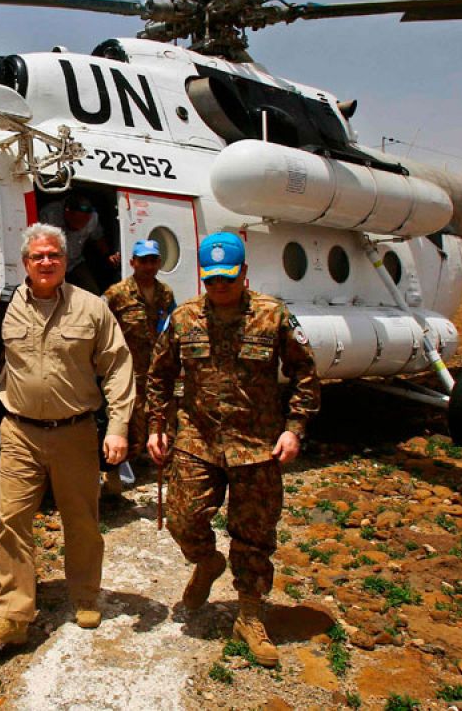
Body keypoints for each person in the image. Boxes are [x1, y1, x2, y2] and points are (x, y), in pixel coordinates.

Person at [145, 232, 321, 668]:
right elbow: (159, 375)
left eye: (228, 278)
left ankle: (249, 614)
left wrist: (294, 429)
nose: (219, 286)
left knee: (254, 535)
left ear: (244, 273)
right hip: (197, 440)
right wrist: (155, 426)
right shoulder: (183, 318)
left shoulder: (273, 315)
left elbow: (304, 373)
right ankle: (206, 563)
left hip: (256, 445)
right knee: (183, 519)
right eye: (211, 279)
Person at [0, 223, 134, 647]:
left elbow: (117, 366)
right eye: (38, 256)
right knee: (13, 522)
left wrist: (117, 428)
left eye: (54, 256)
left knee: (81, 521)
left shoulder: (91, 307)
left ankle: (85, 596)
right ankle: (12, 614)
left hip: (75, 432)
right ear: (25, 263)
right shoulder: (5, 307)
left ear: (64, 261)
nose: (46, 262)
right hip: (19, 431)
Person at [101, 238, 177, 486]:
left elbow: (173, 327)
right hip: (129, 372)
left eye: (153, 260)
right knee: (129, 423)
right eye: (143, 260)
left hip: (159, 370)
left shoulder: (166, 293)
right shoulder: (116, 294)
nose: (149, 265)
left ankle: (162, 466)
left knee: (162, 419)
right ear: (133, 262)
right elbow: (101, 328)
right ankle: (117, 476)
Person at [38, 194, 120, 293]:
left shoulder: (93, 219)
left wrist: (108, 255)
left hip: (75, 262)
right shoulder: (49, 214)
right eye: (76, 223)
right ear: (67, 212)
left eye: (83, 225)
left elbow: (98, 237)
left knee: (92, 292)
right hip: (51, 261)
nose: (79, 228)